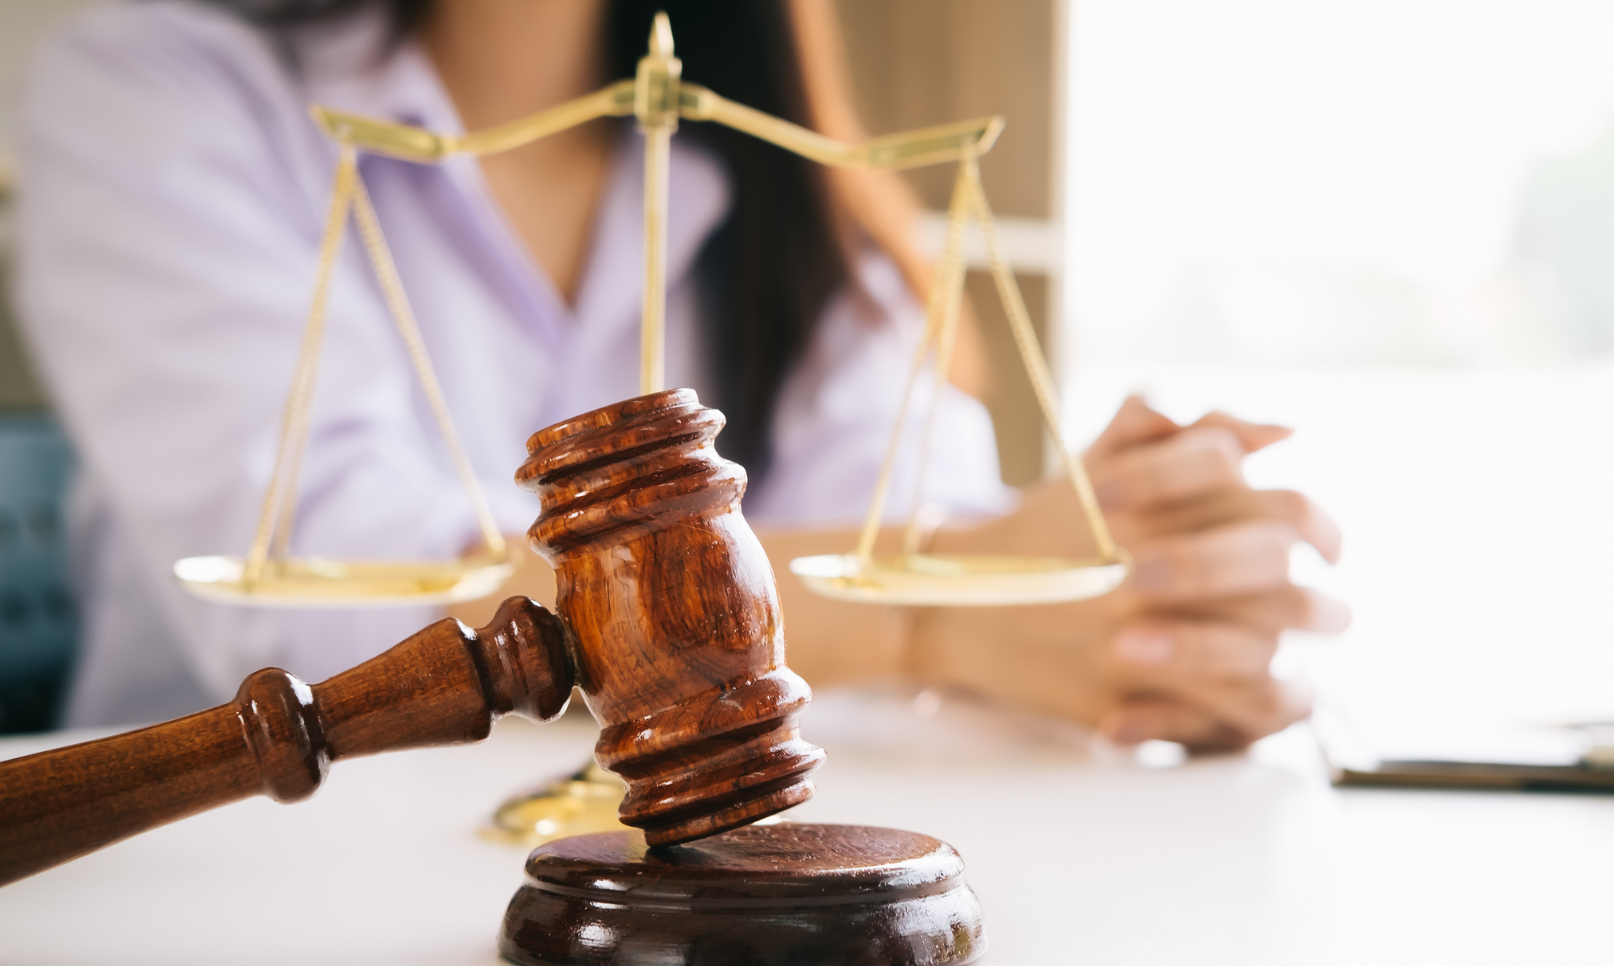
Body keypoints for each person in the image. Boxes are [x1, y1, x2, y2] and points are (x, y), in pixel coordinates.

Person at [16, 0, 1347, 750]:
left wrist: (1148, 605)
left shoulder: (781, 183)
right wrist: (938, 615)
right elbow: (336, 609)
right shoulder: (149, 80)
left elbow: (928, 517)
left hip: (700, 888)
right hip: (234, 883)